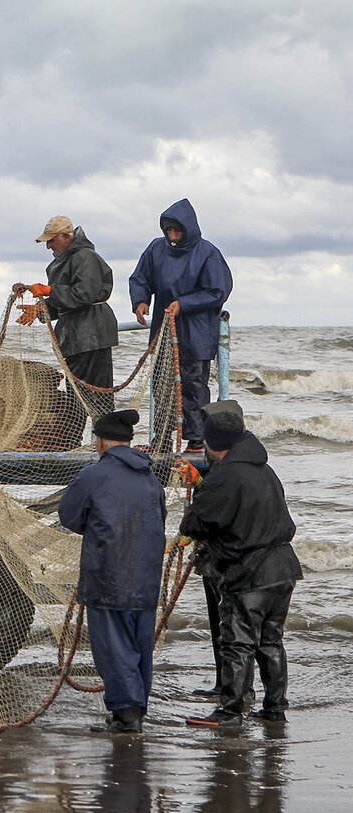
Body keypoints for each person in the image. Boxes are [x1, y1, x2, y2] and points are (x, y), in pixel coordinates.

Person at [182, 401, 302, 728]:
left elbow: (196, 523)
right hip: (283, 568)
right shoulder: (264, 469)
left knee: (237, 642)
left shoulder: (227, 475)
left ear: (212, 444)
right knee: (271, 642)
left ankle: (230, 711)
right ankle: (274, 708)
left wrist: (197, 489)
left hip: (250, 572)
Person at [57, 410, 167, 734]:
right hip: (146, 579)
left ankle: (126, 716)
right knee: (139, 645)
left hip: (108, 576)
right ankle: (134, 709)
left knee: (114, 647)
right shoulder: (151, 479)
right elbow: (159, 520)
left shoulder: (95, 475)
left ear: (101, 442)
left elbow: (69, 516)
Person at [128, 199, 232, 451]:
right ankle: (161, 440)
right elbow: (140, 277)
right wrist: (140, 300)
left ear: (189, 229)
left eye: (177, 231)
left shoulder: (208, 253)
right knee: (162, 386)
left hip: (196, 331)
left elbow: (218, 291)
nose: (173, 236)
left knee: (194, 386)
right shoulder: (156, 249)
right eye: (169, 231)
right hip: (164, 329)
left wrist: (183, 304)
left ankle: (197, 440)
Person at [18, 215, 119, 421]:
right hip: (76, 337)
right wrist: (41, 309)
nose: (48, 246)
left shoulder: (85, 257)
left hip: (91, 335)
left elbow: (85, 294)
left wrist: (48, 291)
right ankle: (87, 442)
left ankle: (102, 441)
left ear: (65, 237)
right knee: (77, 392)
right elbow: (64, 300)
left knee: (94, 393)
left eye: (51, 240)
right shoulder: (61, 263)